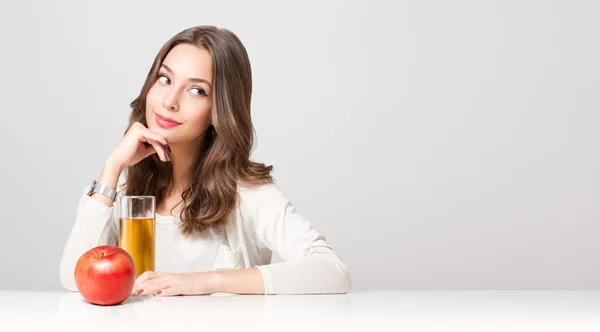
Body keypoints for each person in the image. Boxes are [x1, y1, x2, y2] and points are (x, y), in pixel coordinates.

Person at [59, 25, 351, 296]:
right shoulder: (120, 189)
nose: (169, 101)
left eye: (197, 90)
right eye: (165, 79)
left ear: (220, 109)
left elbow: (333, 271)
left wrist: (205, 281)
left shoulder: (247, 193)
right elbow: (74, 279)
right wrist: (112, 169)